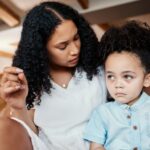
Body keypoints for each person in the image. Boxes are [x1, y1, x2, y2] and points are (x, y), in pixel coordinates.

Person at [0, 1, 106, 150]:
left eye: (76, 38)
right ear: (41, 49)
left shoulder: (97, 68)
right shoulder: (30, 84)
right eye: (62, 46)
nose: (75, 50)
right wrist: (19, 108)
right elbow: (32, 136)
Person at [83, 21, 150, 150]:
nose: (117, 85)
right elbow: (96, 147)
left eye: (127, 76)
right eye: (111, 76)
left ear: (146, 79)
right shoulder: (102, 113)